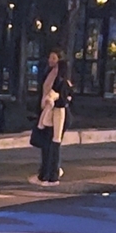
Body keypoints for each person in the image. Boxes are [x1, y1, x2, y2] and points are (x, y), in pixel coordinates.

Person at [33, 51, 70, 184]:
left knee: (53, 144)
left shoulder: (62, 78)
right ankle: (45, 172)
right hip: (47, 112)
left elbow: (64, 98)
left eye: (54, 58)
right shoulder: (48, 73)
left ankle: (52, 173)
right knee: (46, 145)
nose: (50, 60)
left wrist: (54, 98)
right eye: (50, 57)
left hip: (57, 114)